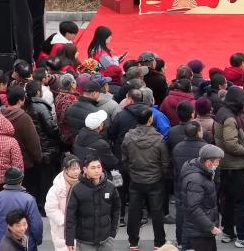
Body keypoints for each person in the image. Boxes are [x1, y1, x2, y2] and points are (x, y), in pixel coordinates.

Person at [121, 106, 169, 250]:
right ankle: (159, 243)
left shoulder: (128, 137)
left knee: (134, 211)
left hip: (136, 179)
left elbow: (125, 160)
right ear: (150, 119)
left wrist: (132, 172)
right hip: (155, 180)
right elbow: (165, 162)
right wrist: (161, 175)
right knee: (157, 212)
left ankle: (133, 242)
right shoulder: (159, 138)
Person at [215, 86, 244, 247]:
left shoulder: (222, 112)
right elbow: (231, 144)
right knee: (240, 201)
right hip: (235, 166)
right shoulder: (230, 119)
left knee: (227, 200)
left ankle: (228, 232)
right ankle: (242, 236)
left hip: (225, 164)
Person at [65, 156, 121, 251]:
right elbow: (70, 216)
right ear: (85, 170)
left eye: (99, 167)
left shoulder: (110, 186)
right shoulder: (76, 188)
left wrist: (113, 232)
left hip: (107, 239)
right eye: (93, 168)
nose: (97, 170)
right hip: (84, 241)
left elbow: (116, 210)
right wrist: (69, 240)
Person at [181, 144, 225, 251]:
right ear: (208, 162)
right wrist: (210, 227)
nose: (218, 164)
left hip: (202, 229)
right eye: (217, 161)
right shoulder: (196, 180)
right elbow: (194, 208)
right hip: (199, 233)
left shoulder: (204, 173)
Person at [0, 167, 41, 251]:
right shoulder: (29, 199)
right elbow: (36, 225)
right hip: (25, 244)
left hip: (3, 243)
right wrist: (38, 240)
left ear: (4, 180)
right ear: (21, 181)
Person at [45, 155, 81, 251]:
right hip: (63, 229)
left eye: (78, 168)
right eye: (73, 169)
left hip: (81, 227)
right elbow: (50, 209)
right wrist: (65, 221)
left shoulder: (83, 183)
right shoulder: (56, 188)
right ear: (65, 170)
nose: (76, 171)